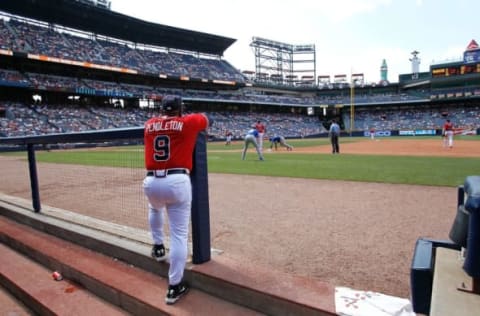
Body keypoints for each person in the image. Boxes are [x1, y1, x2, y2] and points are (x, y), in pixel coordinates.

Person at [143, 95, 210, 305]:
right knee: (179, 234)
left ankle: (158, 246)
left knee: (154, 209)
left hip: (152, 181)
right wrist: (185, 116)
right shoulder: (187, 122)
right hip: (177, 180)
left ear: (162, 108)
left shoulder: (149, 124)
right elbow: (206, 120)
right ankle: (174, 286)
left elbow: (163, 124)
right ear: (180, 109)